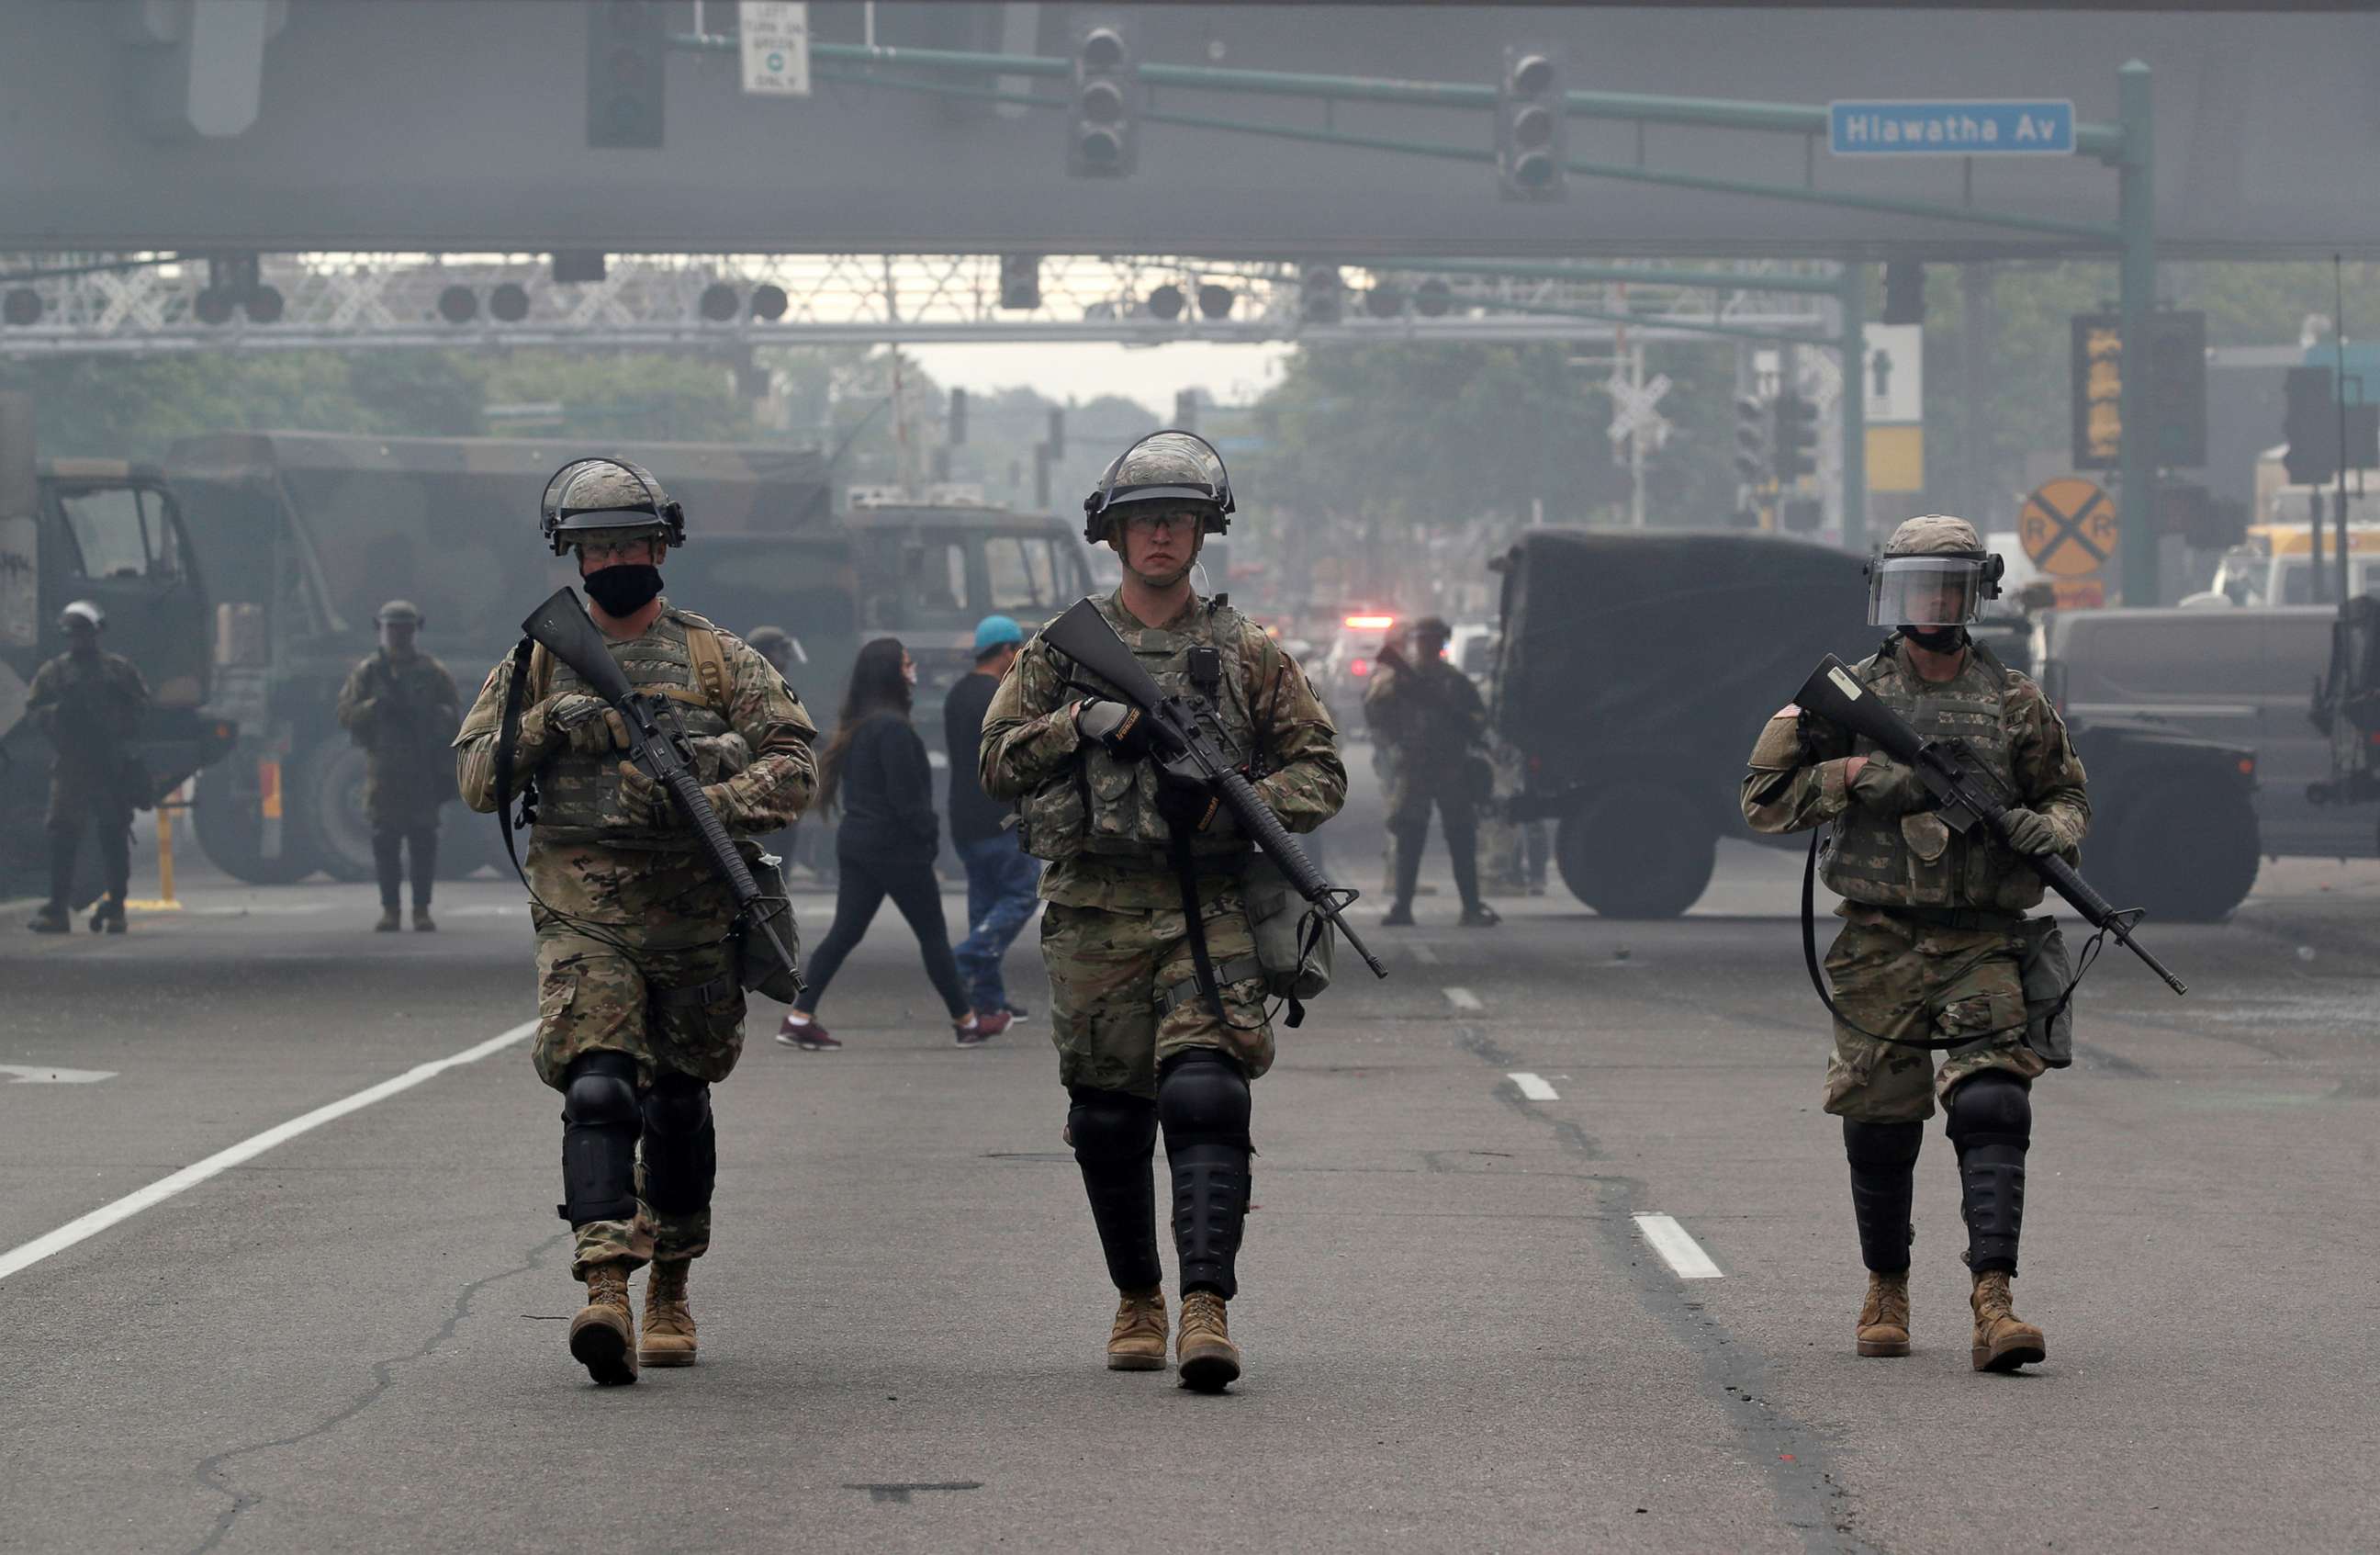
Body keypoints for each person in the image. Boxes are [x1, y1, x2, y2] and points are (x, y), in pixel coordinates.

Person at [981, 431, 1346, 1392]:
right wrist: (1077, 722)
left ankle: (1205, 1304)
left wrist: (1232, 801)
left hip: (1208, 905)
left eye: (1178, 521)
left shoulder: (1248, 653)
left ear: (1202, 534)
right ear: (1112, 534)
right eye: (1144, 521)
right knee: (1108, 1119)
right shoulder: (1060, 652)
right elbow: (995, 763)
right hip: (1096, 908)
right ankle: (1137, 1295)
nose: (1161, 537)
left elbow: (1322, 770)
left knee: (1206, 1094)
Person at [454, 456, 818, 1385]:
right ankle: (606, 1285)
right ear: (572, 558)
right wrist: (549, 725)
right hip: (587, 910)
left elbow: (798, 764)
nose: (615, 558)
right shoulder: (535, 661)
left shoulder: (719, 659)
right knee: (601, 1086)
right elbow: (474, 780)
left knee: (678, 1104)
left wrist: (717, 796)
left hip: (694, 915)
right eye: (596, 546)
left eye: (629, 541)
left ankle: (673, 1287)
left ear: (662, 547)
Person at [1740, 514, 2089, 1374]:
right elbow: (1762, 797)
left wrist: (2045, 830)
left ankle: (1994, 1300)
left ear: (1978, 595)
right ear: (1889, 593)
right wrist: (1856, 774)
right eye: (1917, 586)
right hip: (1880, 940)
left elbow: (2070, 797)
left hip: (1983, 941)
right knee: (1881, 1123)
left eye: (1948, 587)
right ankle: (1886, 1288)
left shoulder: (2016, 700)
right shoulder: (1850, 696)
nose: (1932, 605)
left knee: (1994, 1104)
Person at [773, 638, 1005, 1053]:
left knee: (843, 934)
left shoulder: (861, 725)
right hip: (897, 849)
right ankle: (967, 1022)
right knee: (932, 936)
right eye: (907, 663)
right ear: (891, 673)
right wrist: (929, 839)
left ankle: (798, 1016)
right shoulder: (894, 729)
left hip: (860, 843)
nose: (913, 669)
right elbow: (907, 800)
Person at [335, 600, 462, 931]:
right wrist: (374, 708)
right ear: (381, 629)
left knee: (423, 842)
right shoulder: (369, 672)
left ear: (414, 630)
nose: (397, 634)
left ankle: (421, 909)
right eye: (391, 627)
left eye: (404, 627)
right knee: (384, 841)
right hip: (385, 768)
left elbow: (455, 714)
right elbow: (346, 714)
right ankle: (390, 909)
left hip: (422, 767)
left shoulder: (431, 672)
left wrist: (435, 721)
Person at [1364, 616, 1498, 928]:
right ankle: (1402, 906)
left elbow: (1478, 718)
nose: (1427, 645)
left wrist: (1463, 720)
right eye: (1423, 639)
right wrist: (1396, 737)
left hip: (1451, 766)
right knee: (1409, 837)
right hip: (1415, 765)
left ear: (1441, 642)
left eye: (1433, 639)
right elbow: (1376, 712)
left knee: (1461, 836)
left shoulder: (1455, 681)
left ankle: (1471, 906)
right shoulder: (1400, 678)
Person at [25, 601, 148, 934]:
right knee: (63, 835)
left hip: (109, 762)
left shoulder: (118, 670)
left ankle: (117, 907)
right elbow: (33, 712)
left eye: (85, 632)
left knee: (114, 834)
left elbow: (140, 711)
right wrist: (58, 715)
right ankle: (58, 908)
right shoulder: (55, 673)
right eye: (74, 633)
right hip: (74, 763)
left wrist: (120, 736)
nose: (80, 640)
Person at [946, 614, 1041, 1025]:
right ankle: (962, 961)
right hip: (997, 815)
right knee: (1021, 895)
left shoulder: (956, 693)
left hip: (962, 817)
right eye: (1018, 650)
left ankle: (988, 1002)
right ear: (1006, 651)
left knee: (983, 907)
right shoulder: (1000, 696)